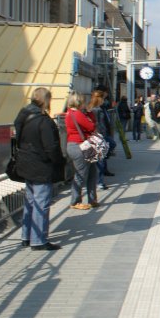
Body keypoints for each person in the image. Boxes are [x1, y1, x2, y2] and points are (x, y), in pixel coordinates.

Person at [14, 88, 65, 251]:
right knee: (41, 203)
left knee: (30, 201)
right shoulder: (44, 121)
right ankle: (39, 240)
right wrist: (58, 162)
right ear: (46, 100)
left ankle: (26, 236)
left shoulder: (22, 116)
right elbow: (51, 147)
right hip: (41, 166)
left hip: (25, 162)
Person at [65, 92, 98, 210]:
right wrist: (89, 113)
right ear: (79, 102)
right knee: (82, 174)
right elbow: (91, 126)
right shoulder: (78, 114)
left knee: (91, 171)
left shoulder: (69, 112)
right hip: (81, 146)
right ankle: (75, 201)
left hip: (74, 145)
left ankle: (92, 199)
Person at [88, 90, 113, 189]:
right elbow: (97, 123)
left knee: (100, 159)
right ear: (100, 99)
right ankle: (99, 182)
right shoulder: (96, 110)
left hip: (100, 135)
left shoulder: (99, 109)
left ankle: (99, 180)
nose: (105, 101)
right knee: (100, 160)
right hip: (98, 136)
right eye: (103, 98)